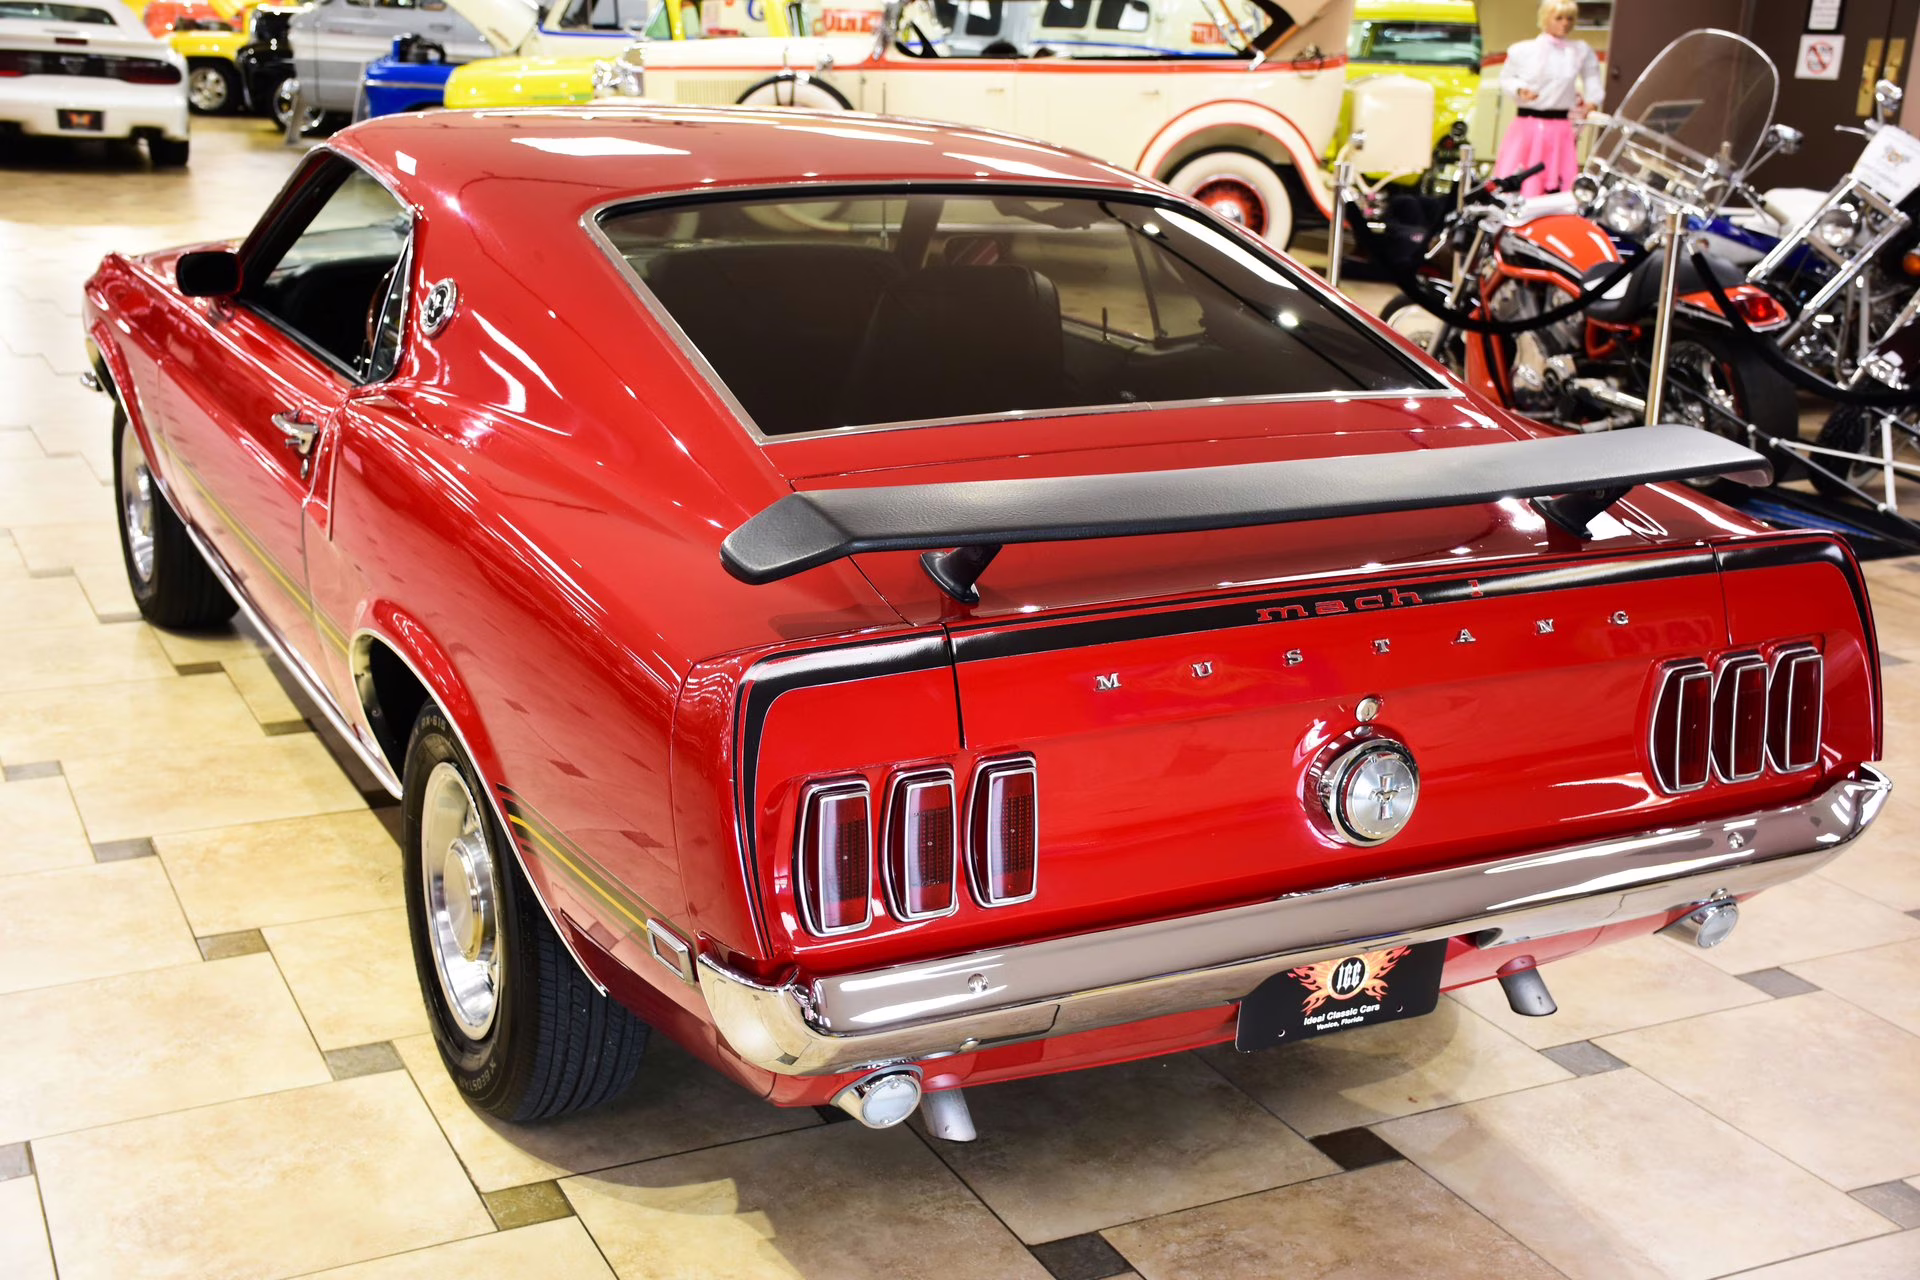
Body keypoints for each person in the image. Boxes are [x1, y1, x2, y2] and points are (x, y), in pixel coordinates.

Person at [1495, 0, 1604, 197]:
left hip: (1560, 127)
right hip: (1528, 125)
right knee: (1517, 177)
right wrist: (1520, 90)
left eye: (1569, 18)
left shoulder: (1579, 51)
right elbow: (1507, 78)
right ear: (1546, 18)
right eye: (1559, 18)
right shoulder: (1523, 50)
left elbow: (1592, 76)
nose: (1565, 23)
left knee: (1557, 181)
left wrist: (1592, 101)